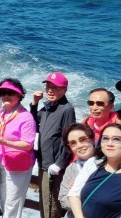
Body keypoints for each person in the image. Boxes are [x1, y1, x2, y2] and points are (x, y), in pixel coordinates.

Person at [67, 124, 121, 218]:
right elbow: (74, 193)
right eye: (105, 138)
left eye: (116, 139)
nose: (109, 143)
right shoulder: (92, 164)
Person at [30, 72, 76, 218]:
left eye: (55, 87)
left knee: (52, 206)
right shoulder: (47, 107)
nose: (50, 90)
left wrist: (59, 164)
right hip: (43, 163)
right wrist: (34, 104)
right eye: (48, 86)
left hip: (54, 167)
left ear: (64, 90)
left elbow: (69, 139)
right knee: (44, 203)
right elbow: (33, 125)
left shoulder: (67, 109)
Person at [0, 78, 36, 218]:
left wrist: (4, 142)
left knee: (13, 200)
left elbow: (28, 144)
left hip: (18, 164)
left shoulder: (26, 117)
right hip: (4, 161)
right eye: (3, 93)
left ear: (19, 95)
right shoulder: (2, 111)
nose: (6, 96)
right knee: (3, 196)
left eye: (10, 92)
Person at [58, 124, 96, 217]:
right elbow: (63, 199)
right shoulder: (72, 168)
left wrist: (79, 191)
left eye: (83, 139)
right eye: (73, 143)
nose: (79, 146)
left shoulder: (108, 164)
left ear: (92, 139)